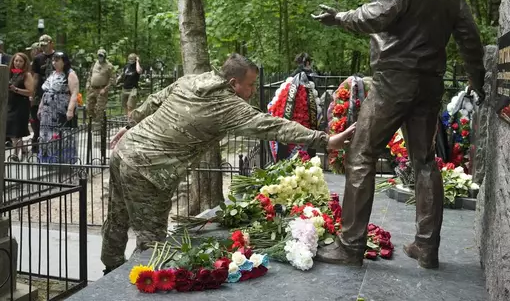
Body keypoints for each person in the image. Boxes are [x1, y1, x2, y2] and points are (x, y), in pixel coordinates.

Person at [312, 0, 485, 268]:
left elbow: (380, 12)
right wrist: (478, 81)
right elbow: (469, 35)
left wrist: (340, 18)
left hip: (395, 78)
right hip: (430, 81)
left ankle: (350, 245)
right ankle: (426, 246)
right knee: (424, 161)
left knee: (361, 154)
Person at [101, 53, 356, 275]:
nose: (253, 91)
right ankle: (134, 288)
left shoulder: (193, 80)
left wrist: (130, 125)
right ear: (233, 83)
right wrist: (326, 140)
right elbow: (273, 126)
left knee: (117, 219)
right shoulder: (227, 105)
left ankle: (108, 273)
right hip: (150, 170)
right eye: (251, 85)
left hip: (125, 151)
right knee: (151, 245)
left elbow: (155, 100)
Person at [37, 52, 80, 163]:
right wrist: (40, 107)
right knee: (46, 134)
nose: (54, 63)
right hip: (47, 111)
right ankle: (47, 158)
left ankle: (62, 159)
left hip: (60, 109)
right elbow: (46, 91)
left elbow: (74, 93)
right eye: (53, 60)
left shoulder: (70, 74)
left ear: (64, 62)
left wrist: (70, 110)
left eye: (57, 60)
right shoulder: (52, 74)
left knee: (61, 134)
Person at [6, 53, 35, 161]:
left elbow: (30, 92)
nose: (17, 63)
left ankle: (15, 154)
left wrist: (16, 89)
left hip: (21, 105)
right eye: (16, 61)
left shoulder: (26, 75)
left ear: (24, 63)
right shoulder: (11, 73)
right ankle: (24, 150)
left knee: (16, 130)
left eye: (20, 61)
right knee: (14, 130)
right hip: (11, 104)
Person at [31, 35, 56, 153]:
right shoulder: (37, 58)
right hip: (41, 91)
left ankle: (53, 145)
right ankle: (37, 145)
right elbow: (35, 77)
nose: (44, 48)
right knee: (38, 118)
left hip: (55, 90)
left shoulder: (58, 56)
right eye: (42, 46)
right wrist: (33, 92)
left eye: (45, 45)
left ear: (51, 43)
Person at [85, 48, 115, 123]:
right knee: (89, 107)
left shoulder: (109, 66)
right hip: (92, 89)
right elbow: (90, 75)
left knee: (99, 109)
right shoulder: (94, 64)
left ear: (105, 56)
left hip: (101, 90)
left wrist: (105, 89)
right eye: (99, 56)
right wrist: (88, 84)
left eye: (101, 56)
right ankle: (94, 123)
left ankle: (98, 126)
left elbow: (113, 79)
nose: (100, 57)